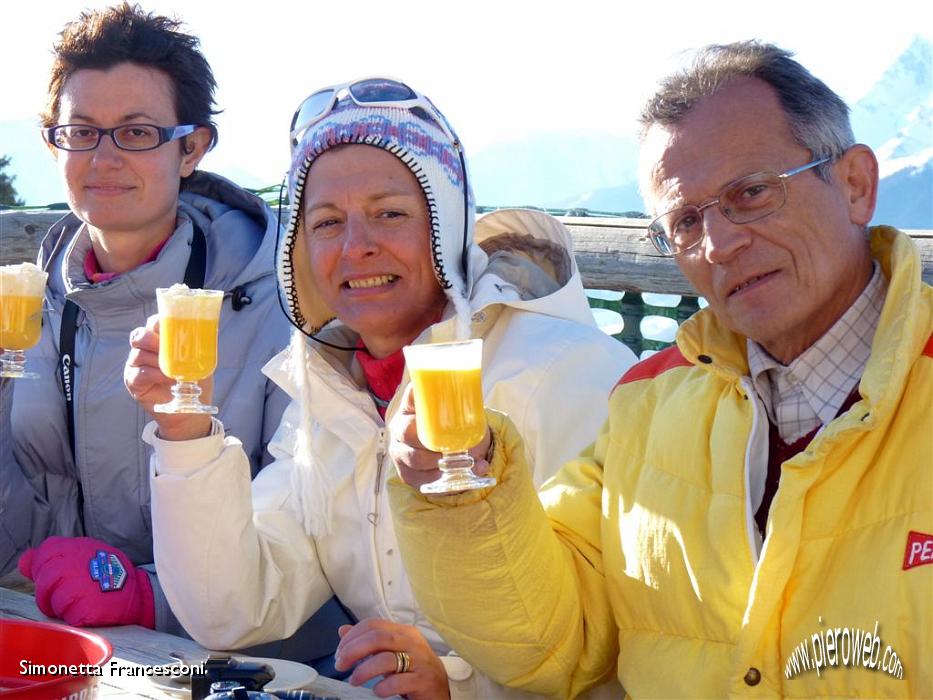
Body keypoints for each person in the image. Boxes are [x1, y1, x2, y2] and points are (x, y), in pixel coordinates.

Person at [388, 41, 933, 698]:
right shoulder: (647, 403)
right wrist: (464, 486)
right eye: (682, 221)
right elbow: (549, 644)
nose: (718, 243)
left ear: (854, 184)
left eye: (752, 193)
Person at [125, 77, 636, 698]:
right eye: (327, 222)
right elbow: (235, 608)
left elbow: (621, 630)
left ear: (444, 231)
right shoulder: (329, 386)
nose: (356, 247)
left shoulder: (566, 371)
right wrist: (186, 433)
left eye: (389, 214)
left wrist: (459, 683)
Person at [0, 3, 292, 636]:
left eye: (136, 132)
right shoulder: (33, 307)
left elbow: (312, 538)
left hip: (227, 655)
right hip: (55, 640)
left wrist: (142, 597)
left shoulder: (281, 308)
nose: (103, 158)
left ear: (191, 149)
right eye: (81, 131)